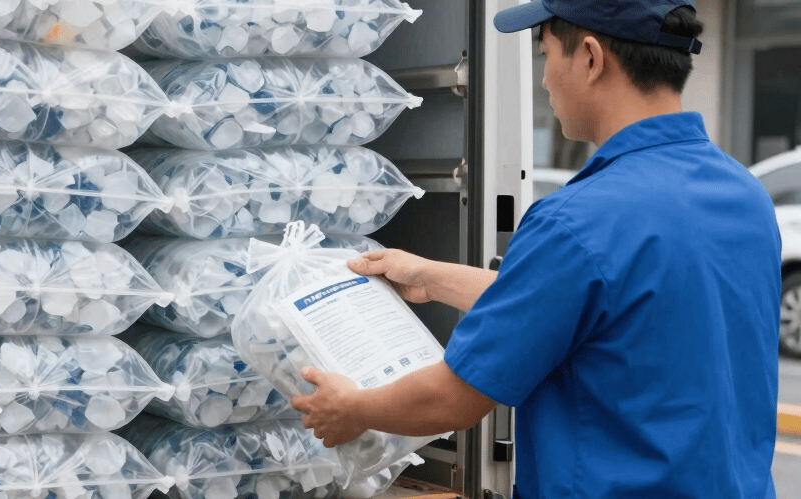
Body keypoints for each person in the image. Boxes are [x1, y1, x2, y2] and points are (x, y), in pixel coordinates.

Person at [289, 0, 782, 497]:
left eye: (545, 55)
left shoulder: (577, 221)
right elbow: (594, 308)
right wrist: (429, 275)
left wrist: (352, 409)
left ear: (590, 58)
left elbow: (451, 401)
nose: (544, 82)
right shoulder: (744, 197)